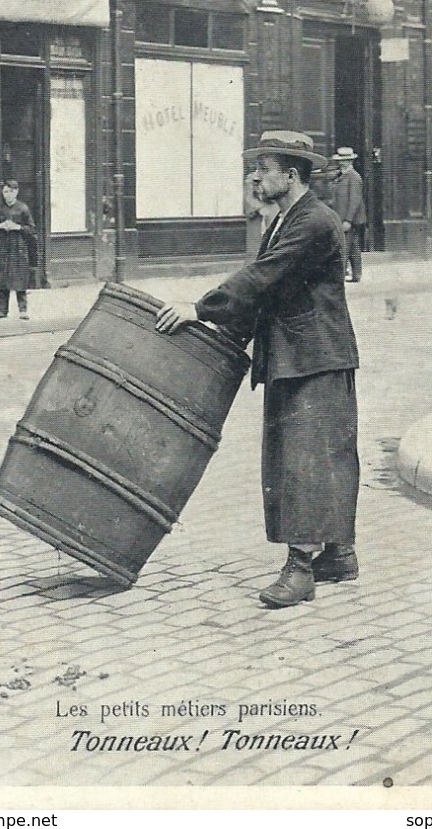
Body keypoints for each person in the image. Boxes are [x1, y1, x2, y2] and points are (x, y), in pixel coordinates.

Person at [156, 130, 360, 609]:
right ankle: (338, 553)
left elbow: (262, 279)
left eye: (264, 168)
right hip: (304, 354)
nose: (255, 175)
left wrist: (200, 308)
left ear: (290, 175)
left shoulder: (312, 222)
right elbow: (269, 290)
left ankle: (301, 568)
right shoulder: (288, 218)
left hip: (314, 358)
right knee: (320, 455)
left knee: (303, 460)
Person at [0, 180, 37, 321]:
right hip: (3, 248)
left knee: (20, 278)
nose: (7, 195)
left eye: (10, 192)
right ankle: (3, 310)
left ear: (16, 192)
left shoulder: (23, 209)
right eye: (5, 192)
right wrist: (0, 226)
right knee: (3, 279)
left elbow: (32, 229)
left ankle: (23, 310)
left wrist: (18, 227)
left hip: (18, 248)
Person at [328, 147, 367, 283]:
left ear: (350, 161)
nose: (341, 163)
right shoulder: (341, 176)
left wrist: (348, 220)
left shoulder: (354, 178)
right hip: (342, 217)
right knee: (353, 246)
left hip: (349, 219)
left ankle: (340, 274)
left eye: (344, 161)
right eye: (340, 161)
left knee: (343, 246)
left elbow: (354, 201)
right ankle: (356, 274)